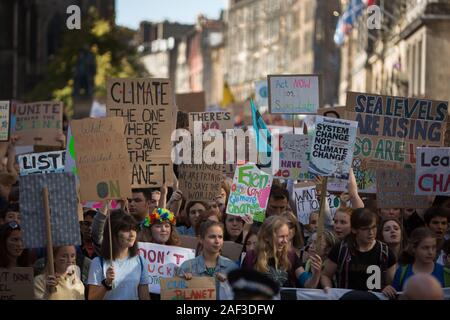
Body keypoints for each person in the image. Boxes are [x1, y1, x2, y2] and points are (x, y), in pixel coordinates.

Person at [321, 208, 397, 292]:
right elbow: (326, 275)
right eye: (365, 229)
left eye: (374, 227)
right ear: (354, 229)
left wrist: (387, 288)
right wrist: (328, 289)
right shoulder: (340, 249)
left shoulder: (385, 252)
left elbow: (392, 283)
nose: (371, 232)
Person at [242, 216, 322, 288]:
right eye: (281, 237)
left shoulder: (291, 255)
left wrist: (316, 274)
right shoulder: (251, 257)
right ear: (266, 237)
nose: (285, 241)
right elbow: (243, 288)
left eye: (287, 236)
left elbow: (308, 285)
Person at [87, 212, 150, 300]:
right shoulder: (98, 263)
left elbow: (145, 296)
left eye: (134, 229)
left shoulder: (140, 261)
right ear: (113, 233)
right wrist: (106, 283)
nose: (132, 234)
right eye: (126, 230)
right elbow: (92, 298)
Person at [177, 220, 237, 299]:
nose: (217, 241)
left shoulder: (232, 267)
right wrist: (183, 283)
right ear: (201, 239)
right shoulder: (187, 267)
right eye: (212, 237)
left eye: (220, 237)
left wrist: (227, 283)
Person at [387, 228, 449, 295]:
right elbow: (394, 295)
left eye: (433, 247)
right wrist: (387, 290)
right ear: (414, 248)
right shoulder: (402, 272)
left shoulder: (446, 273)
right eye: (425, 248)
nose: (430, 252)